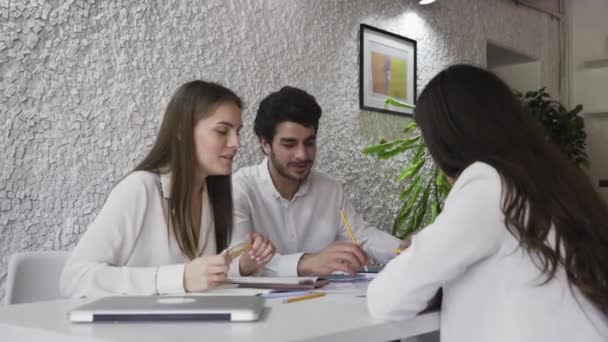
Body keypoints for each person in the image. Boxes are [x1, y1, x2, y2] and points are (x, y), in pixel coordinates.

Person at [367, 65, 608, 341]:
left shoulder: (487, 183)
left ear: (445, 141)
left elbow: (387, 299)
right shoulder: (551, 179)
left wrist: (419, 249)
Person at [60, 80, 275, 298]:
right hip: (132, 329)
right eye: (222, 131)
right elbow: (74, 278)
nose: (236, 143)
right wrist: (180, 278)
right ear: (182, 132)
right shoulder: (139, 188)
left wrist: (243, 266)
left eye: (237, 132)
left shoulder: (210, 196)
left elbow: (196, 280)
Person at [230, 86, 410, 277]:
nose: (302, 154)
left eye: (309, 143)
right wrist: (308, 262)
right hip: (262, 305)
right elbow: (237, 263)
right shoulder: (240, 189)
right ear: (265, 144)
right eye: (289, 144)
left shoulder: (330, 189)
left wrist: (404, 249)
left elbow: (362, 237)